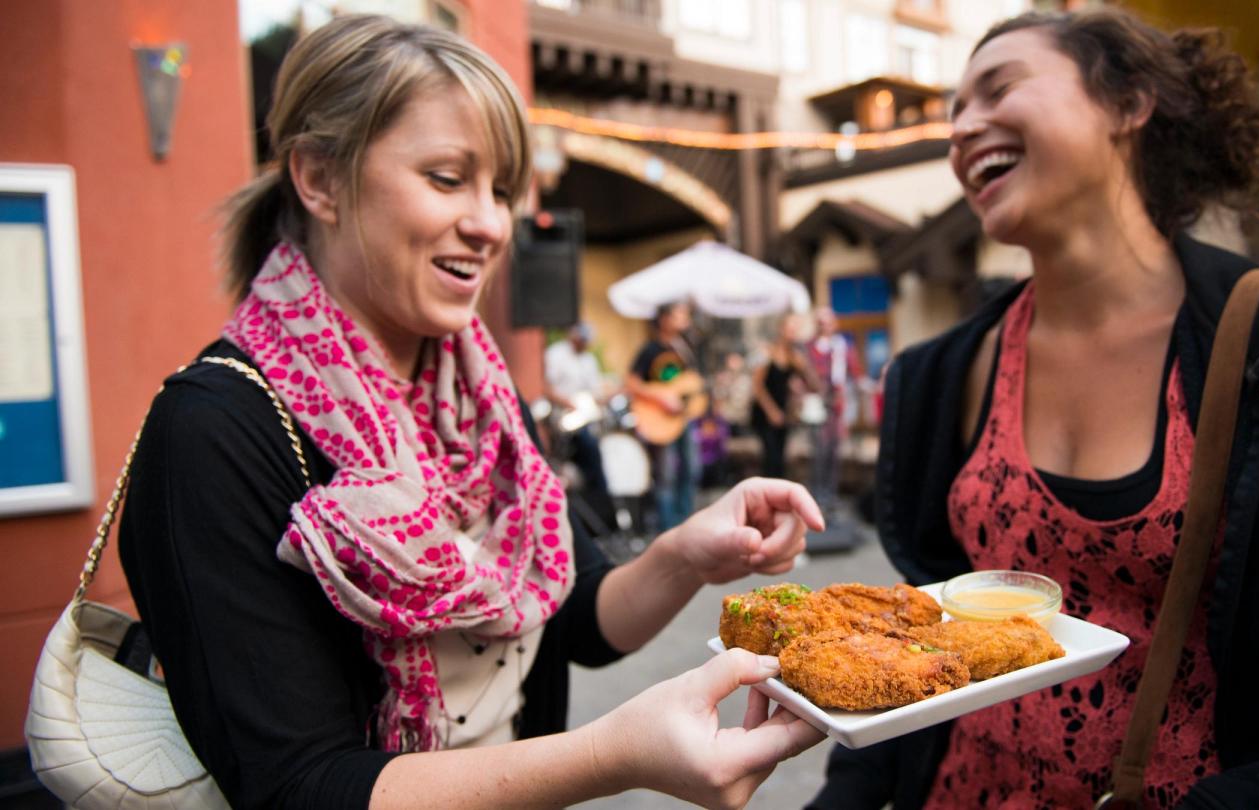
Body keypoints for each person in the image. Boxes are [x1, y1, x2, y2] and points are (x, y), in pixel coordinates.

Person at [116, 16, 825, 810]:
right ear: (317, 178)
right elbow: (297, 786)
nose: (491, 224)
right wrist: (613, 755)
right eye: (449, 179)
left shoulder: (481, 400)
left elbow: (578, 621)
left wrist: (683, 557)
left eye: (500, 190)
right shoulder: (214, 431)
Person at [809, 8, 1259, 810]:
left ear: (1129, 103)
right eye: (954, 111)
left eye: (997, 89)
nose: (963, 129)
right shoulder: (943, 373)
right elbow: (916, 650)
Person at [625, 300, 702, 531]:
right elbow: (631, 383)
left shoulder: (685, 348)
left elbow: (691, 384)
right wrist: (661, 398)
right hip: (660, 420)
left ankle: (687, 523)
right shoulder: (650, 350)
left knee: (691, 469)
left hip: (683, 419)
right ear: (664, 319)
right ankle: (668, 528)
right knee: (665, 476)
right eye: (679, 315)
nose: (685, 319)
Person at [543, 321, 616, 529]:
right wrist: (568, 403)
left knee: (595, 457)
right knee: (590, 452)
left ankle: (602, 511)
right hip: (564, 420)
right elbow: (546, 386)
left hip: (586, 418)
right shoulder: (556, 355)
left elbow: (595, 391)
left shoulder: (588, 360)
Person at [805, 307, 868, 507]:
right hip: (817, 403)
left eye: (828, 322)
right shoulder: (810, 348)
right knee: (818, 450)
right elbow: (805, 374)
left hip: (837, 404)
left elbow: (855, 374)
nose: (825, 326)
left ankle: (829, 494)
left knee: (833, 450)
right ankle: (817, 493)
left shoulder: (842, 347)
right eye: (821, 322)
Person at [751, 313, 819, 479]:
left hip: (784, 413)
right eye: (791, 328)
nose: (794, 332)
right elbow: (757, 387)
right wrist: (772, 412)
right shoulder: (767, 352)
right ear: (781, 329)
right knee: (771, 457)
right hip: (765, 413)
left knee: (781, 459)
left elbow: (814, 385)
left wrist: (805, 364)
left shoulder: (795, 356)